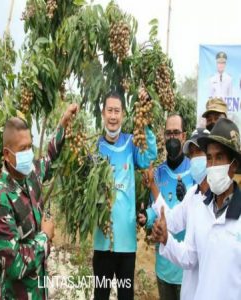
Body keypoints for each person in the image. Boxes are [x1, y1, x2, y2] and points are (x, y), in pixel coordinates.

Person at [0, 103, 79, 300]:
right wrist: (45, 236)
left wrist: (63, 121)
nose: (29, 153)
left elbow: (50, 157)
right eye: (23, 148)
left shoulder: (31, 175)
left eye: (30, 146)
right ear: (7, 154)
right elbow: (14, 265)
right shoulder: (1, 201)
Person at [154, 118, 241, 300]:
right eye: (209, 158)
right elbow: (189, 257)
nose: (212, 165)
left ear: (233, 165)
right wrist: (166, 239)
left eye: (220, 157)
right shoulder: (201, 205)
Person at [93, 90, 157, 300]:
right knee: (101, 294)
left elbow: (149, 156)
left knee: (126, 295)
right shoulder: (95, 148)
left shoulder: (131, 143)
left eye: (117, 111)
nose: (113, 116)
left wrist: (145, 123)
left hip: (126, 242)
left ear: (123, 114)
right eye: (109, 111)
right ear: (103, 113)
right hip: (103, 241)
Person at [140, 128, 210, 300]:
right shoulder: (193, 195)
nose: (195, 158)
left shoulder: (225, 202)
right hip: (185, 284)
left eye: (200, 151)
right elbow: (170, 220)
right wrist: (164, 236)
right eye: (192, 154)